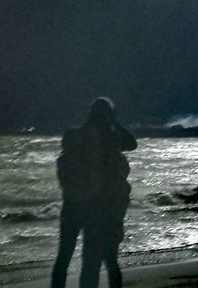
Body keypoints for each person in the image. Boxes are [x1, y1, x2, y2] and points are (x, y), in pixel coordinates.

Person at [52, 97, 137, 288]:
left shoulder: (71, 135)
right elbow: (131, 144)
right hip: (96, 208)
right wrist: (114, 123)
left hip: (71, 203)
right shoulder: (108, 138)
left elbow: (64, 163)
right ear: (108, 115)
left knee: (63, 257)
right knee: (92, 261)